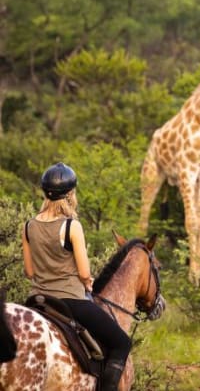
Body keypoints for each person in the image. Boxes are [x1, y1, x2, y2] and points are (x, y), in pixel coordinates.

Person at [21, 162, 132, 391]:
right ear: (70, 194)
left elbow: (29, 272)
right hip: (70, 300)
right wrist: (88, 281)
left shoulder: (28, 226)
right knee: (122, 343)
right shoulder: (72, 226)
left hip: (38, 300)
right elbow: (83, 272)